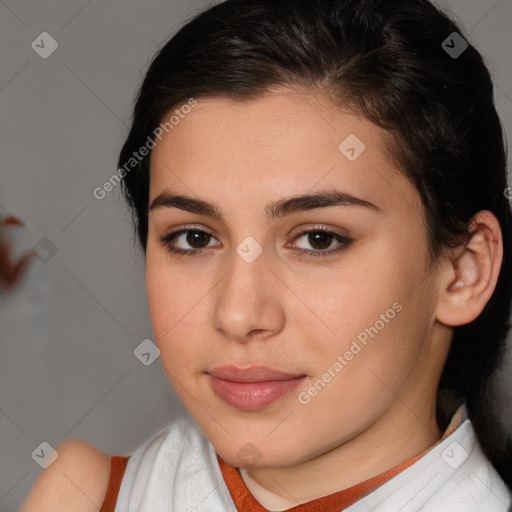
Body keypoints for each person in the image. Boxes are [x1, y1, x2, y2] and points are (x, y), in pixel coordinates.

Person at [21, 0, 512, 510]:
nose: (237, 314)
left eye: (318, 239)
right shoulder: (84, 495)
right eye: (194, 238)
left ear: (463, 272)